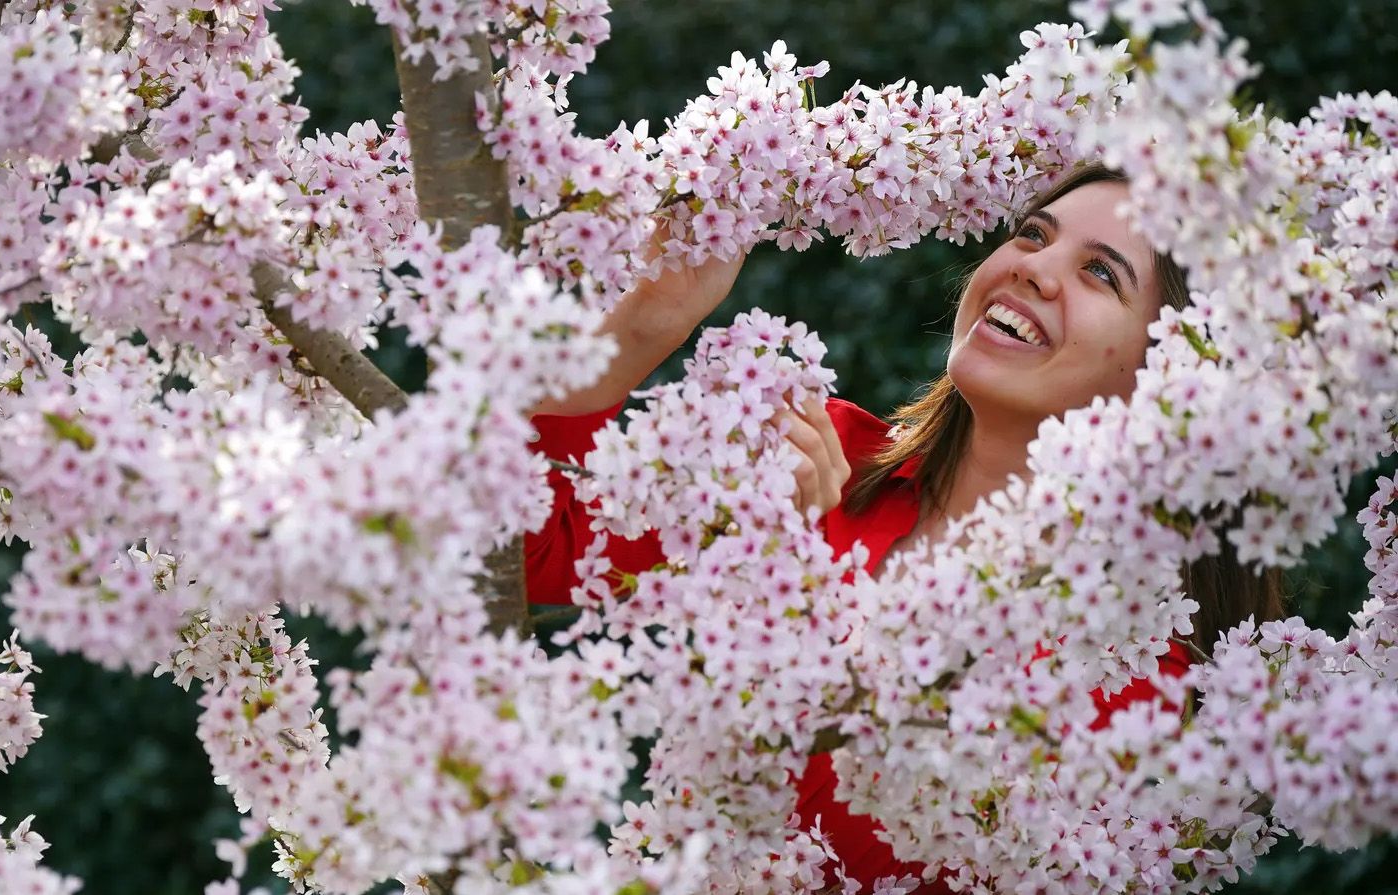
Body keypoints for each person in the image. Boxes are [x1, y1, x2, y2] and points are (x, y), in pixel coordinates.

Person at [523, 164, 1285, 890]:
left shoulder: (1130, 670)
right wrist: (641, 324)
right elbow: (513, 547)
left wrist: (792, 599)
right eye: (1032, 233)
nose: (1033, 266)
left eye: (1100, 273)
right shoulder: (822, 453)